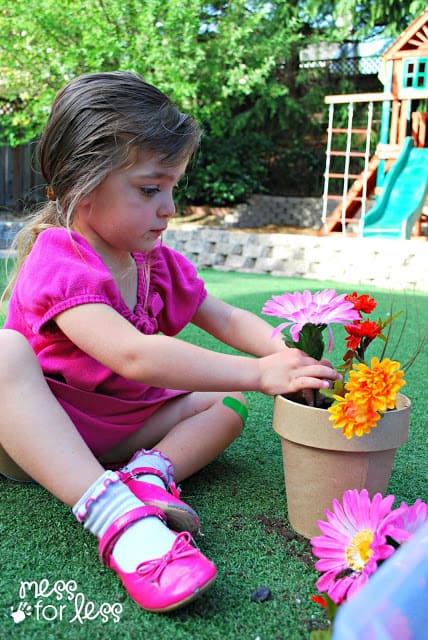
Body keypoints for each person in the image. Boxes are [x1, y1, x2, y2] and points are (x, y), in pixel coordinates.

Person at [0, 71, 340, 614]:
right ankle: (115, 514)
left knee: (225, 408)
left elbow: (224, 317)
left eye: (173, 187)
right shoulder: (59, 258)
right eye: (150, 188)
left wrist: (285, 355)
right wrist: (257, 374)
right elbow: (133, 355)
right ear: (81, 188)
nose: (169, 208)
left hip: (120, 433)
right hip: (45, 440)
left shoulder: (153, 261)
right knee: (3, 353)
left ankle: (147, 474)